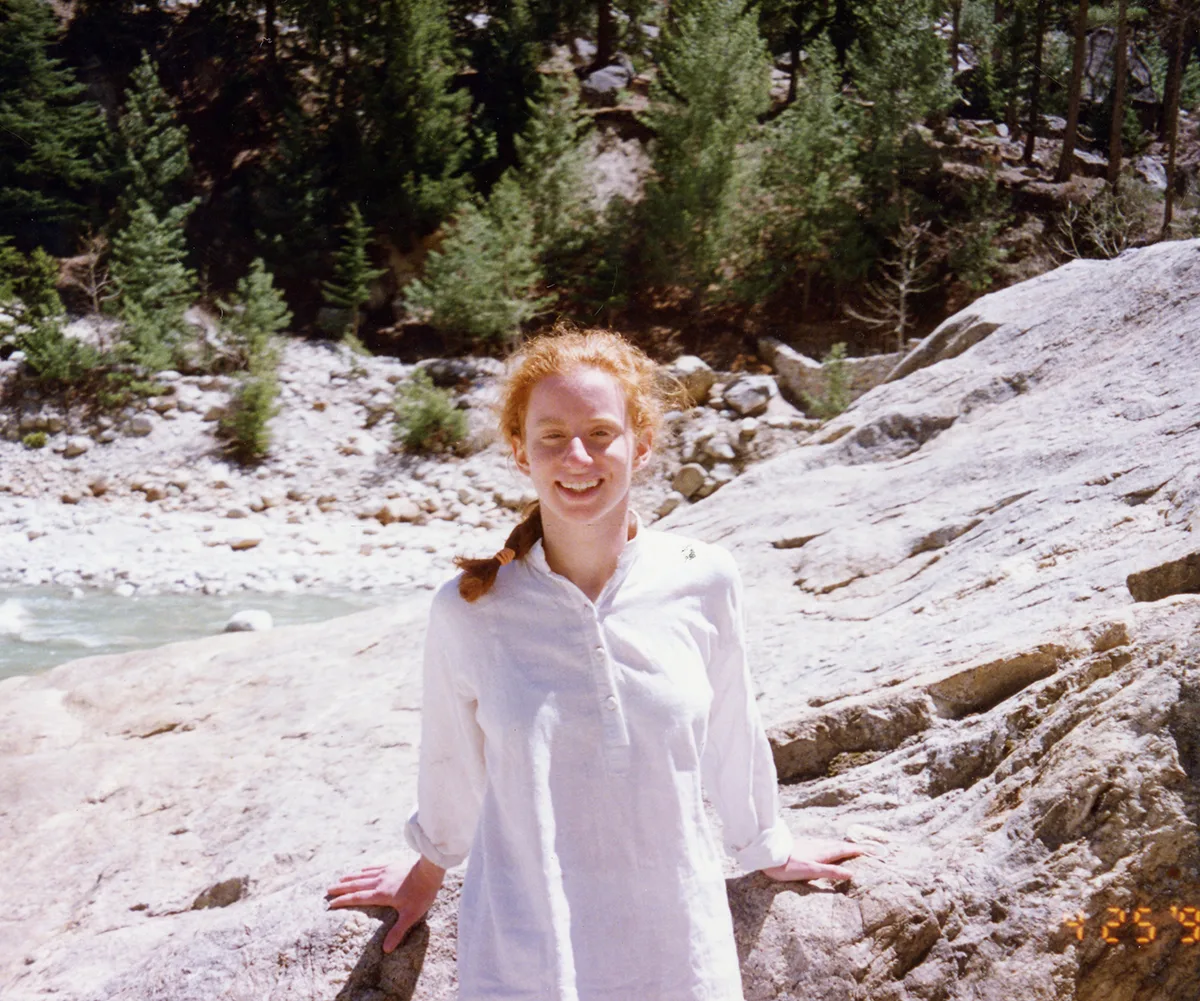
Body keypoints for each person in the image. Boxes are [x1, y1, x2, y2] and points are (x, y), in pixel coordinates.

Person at [327, 328, 866, 999]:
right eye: (551, 435)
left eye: (600, 432)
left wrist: (768, 847)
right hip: (526, 957)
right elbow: (449, 764)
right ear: (521, 451)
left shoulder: (704, 577)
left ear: (641, 445)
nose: (576, 455)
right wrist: (425, 870)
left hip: (680, 952)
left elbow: (734, 726)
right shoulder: (470, 609)